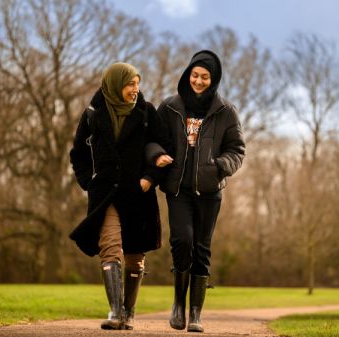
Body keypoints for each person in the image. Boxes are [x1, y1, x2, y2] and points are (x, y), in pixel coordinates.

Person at [149, 50, 245, 333]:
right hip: (177, 189)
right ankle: (178, 303)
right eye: (195, 75)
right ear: (187, 74)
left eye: (205, 77)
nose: (199, 81)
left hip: (209, 191)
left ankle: (195, 314)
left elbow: (237, 149)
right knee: (181, 241)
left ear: (213, 79)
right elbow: (152, 139)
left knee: (202, 248)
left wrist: (220, 166)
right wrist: (157, 155)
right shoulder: (169, 107)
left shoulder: (226, 111)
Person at [69, 62, 170, 330]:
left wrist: (149, 179)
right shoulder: (93, 114)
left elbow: (162, 149)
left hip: (138, 195)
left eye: (137, 84)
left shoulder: (147, 113)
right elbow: (77, 153)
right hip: (105, 195)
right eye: (129, 84)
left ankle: (129, 312)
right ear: (115, 84)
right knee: (110, 246)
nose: (135, 90)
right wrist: (88, 181)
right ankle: (115, 312)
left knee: (135, 257)